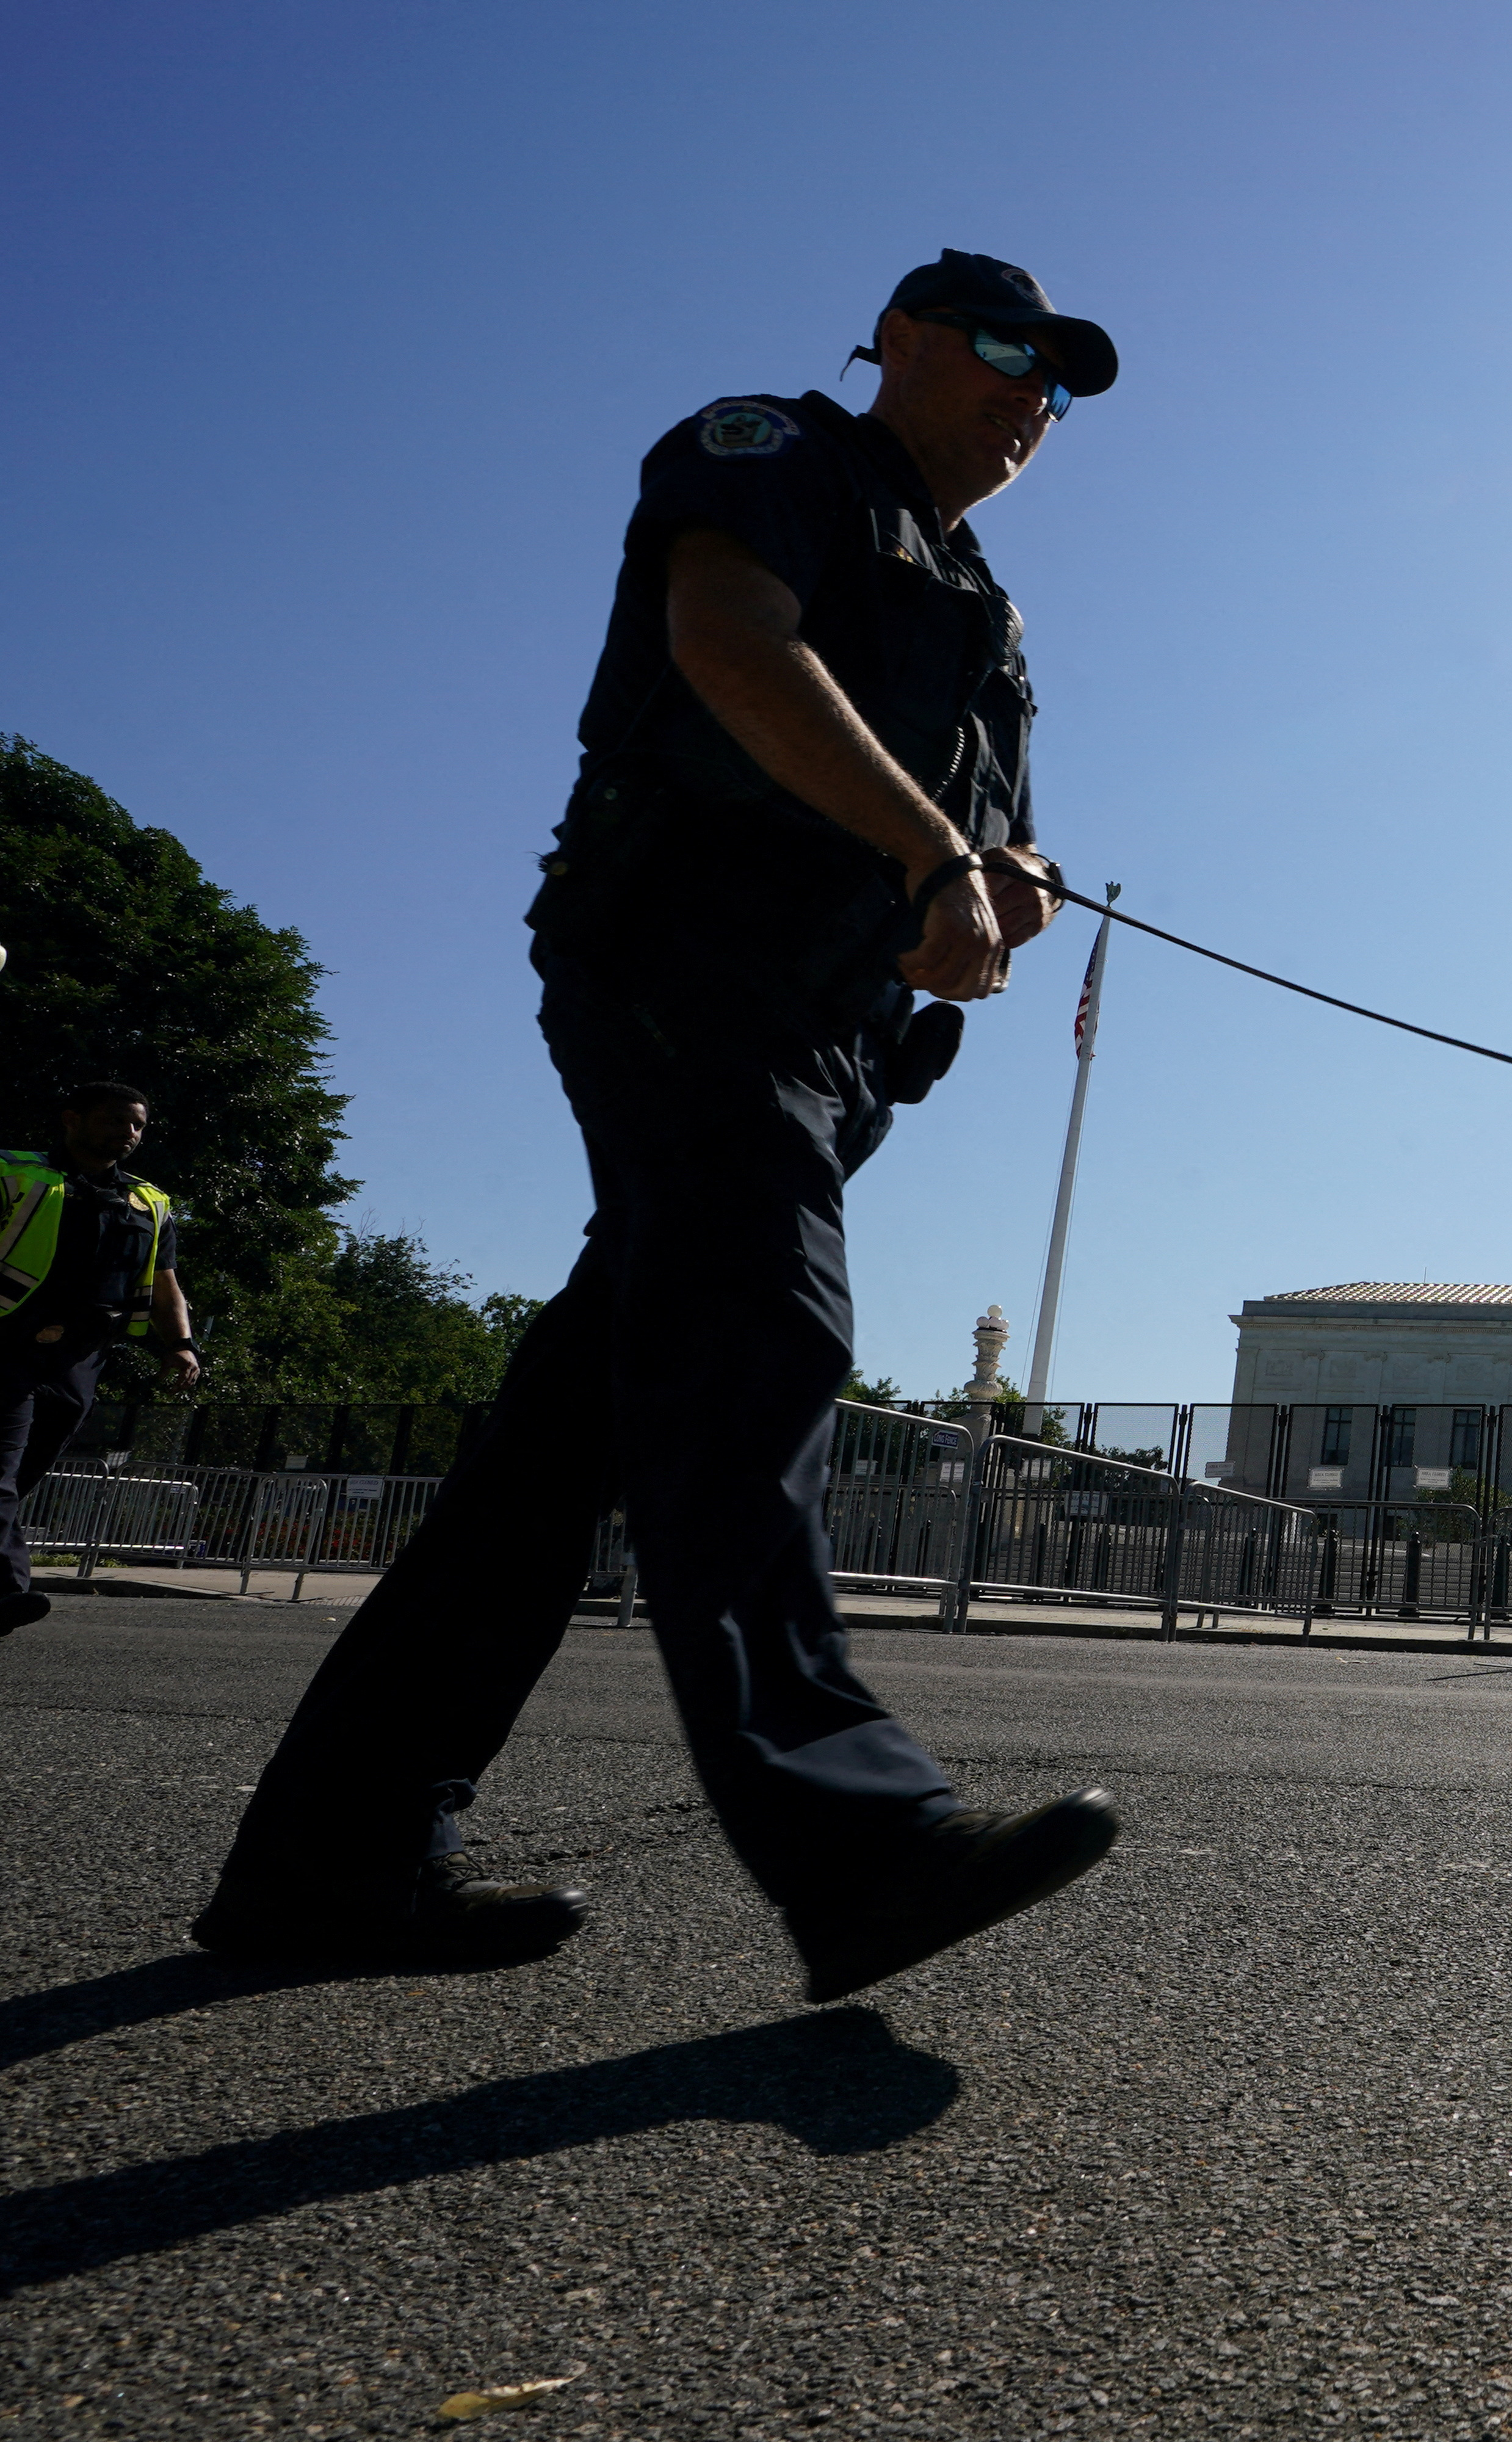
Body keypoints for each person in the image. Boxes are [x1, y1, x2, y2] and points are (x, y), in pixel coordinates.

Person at [201, 253, 1124, 1995]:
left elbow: (983, 835)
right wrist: (934, 849)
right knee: (763, 1335)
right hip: (687, 962)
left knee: (564, 1451)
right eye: (1006, 352)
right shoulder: (775, 455)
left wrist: (1004, 870)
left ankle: (330, 1862)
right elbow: (727, 643)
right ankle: (855, 1848)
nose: (1031, 399)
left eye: (1058, 386)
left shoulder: (983, 604)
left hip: (827, 1035)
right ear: (901, 340)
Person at [0, 1082, 201, 1634]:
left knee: (18, 1480)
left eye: (137, 1125)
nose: (128, 1133)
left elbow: (166, 1283)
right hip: (8, 1344)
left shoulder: (149, 1202)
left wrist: (181, 1343)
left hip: (81, 1356)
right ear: (72, 1119)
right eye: (115, 1120)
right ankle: (6, 1592)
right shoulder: (13, 1172)